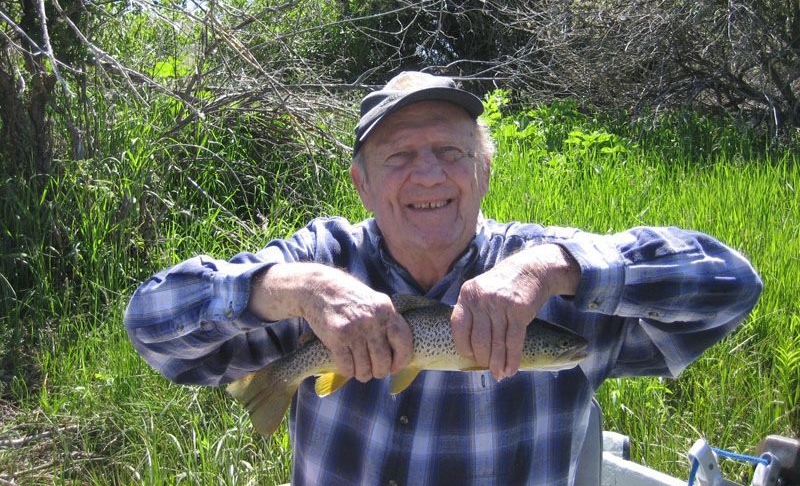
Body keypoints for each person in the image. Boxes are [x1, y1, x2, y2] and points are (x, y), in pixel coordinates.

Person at [124, 71, 762, 486]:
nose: (428, 175)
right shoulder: (321, 256)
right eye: (399, 156)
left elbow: (733, 287)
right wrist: (290, 290)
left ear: (483, 171)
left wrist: (555, 268)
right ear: (362, 184)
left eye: (451, 153)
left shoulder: (554, 274)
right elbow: (152, 324)